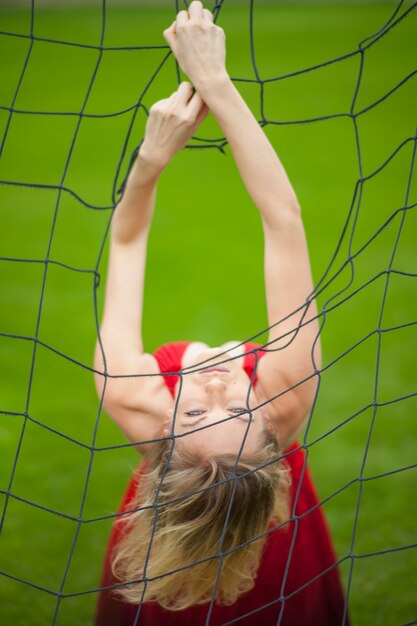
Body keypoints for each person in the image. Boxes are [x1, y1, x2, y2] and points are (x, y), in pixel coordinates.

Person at [93, 2, 348, 624]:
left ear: (162, 440)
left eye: (197, 412)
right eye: (235, 409)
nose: (213, 387)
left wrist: (150, 164)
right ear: (271, 441)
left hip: (172, 530)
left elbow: (125, 244)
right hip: (276, 545)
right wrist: (215, 83)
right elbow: (283, 225)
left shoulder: (131, 398)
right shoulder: (286, 395)